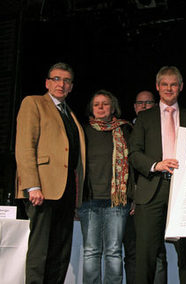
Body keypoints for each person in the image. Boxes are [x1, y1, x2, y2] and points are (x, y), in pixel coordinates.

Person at [129, 66, 186, 284]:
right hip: (151, 190)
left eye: (173, 84)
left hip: (183, 193)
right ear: (157, 87)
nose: (169, 88)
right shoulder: (144, 118)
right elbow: (133, 153)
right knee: (146, 257)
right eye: (165, 84)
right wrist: (156, 165)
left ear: (180, 87)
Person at [15, 62, 86, 283]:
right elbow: (25, 145)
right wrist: (32, 185)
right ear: (47, 82)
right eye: (56, 79)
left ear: (71, 87)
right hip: (42, 189)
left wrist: (77, 196)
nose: (61, 84)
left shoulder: (70, 114)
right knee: (41, 251)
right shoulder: (33, 103)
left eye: (66, 81)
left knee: (61, 252)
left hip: (66, 191)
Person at [78, 90, 131, 283]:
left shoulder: (124, 130)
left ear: (113, 107)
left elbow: (131, 167)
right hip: (89, 199)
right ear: (91, 109)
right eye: (96, 104)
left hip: (116, 201)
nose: (101, 107)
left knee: (113, 252)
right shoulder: (82, 131)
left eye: (105, 104)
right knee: (91, 252)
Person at [124, 89, 167, 284]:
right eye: (140, 103)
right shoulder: (123, 129)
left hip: (152, 195)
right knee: (135, 253)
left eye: (149, 102)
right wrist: (131, 197)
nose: (144, 106)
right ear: (134, 106)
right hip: (131, 200)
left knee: (156, 252)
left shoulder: (162, 128)